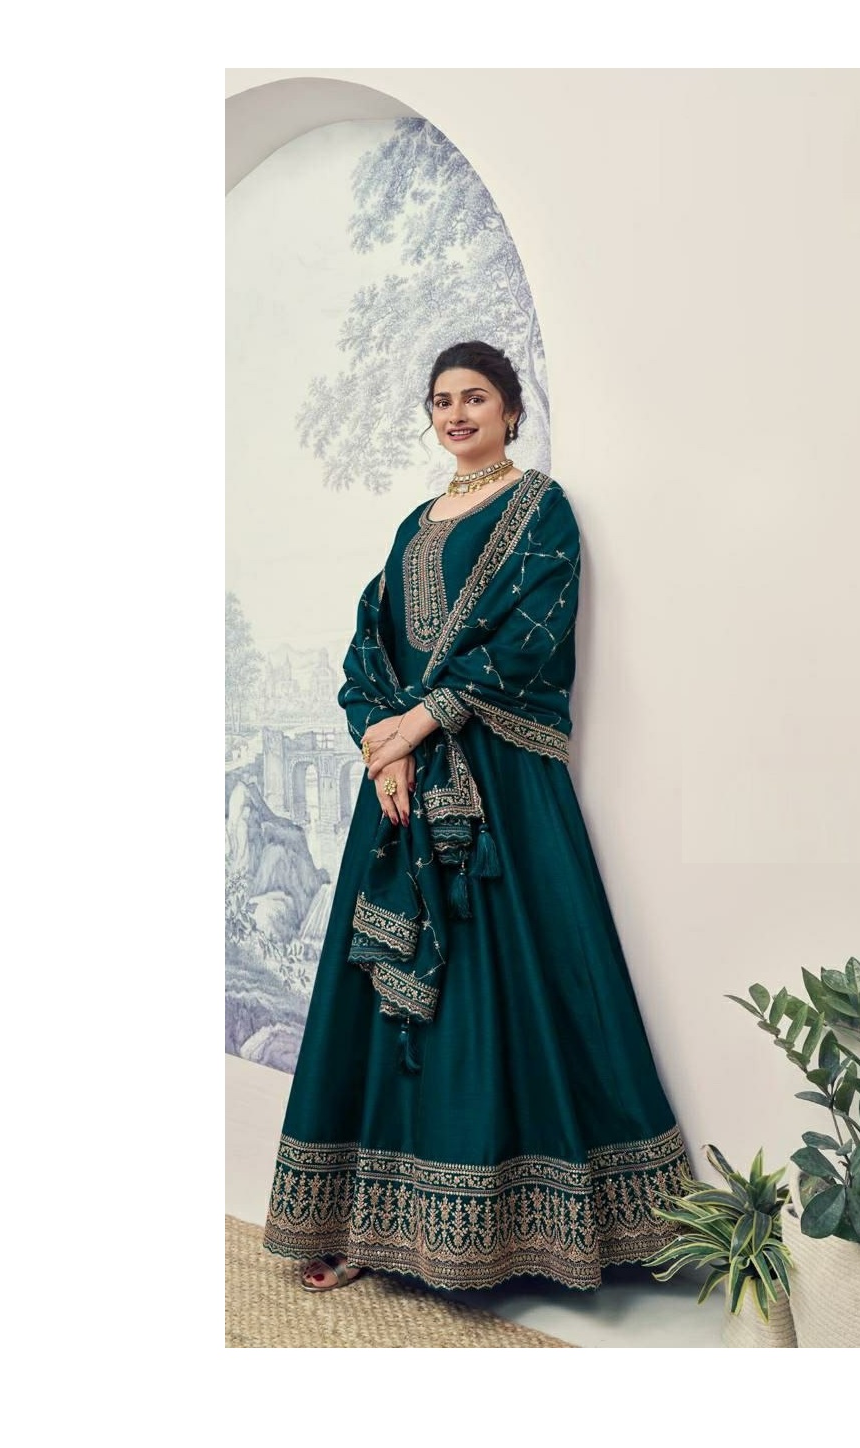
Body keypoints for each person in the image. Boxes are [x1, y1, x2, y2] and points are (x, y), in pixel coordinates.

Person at [261, 340, 692, 1293]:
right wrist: (383, 745)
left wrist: (421, 722)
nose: (456, 414)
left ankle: (548, 1235)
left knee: (523, 985)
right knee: (386, 997)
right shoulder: (414, 527)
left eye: (476, 398)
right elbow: (369, 647)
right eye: (442, 401)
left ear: (511, 410)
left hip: (500, 786)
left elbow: (533, 636)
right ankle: (371, 1229)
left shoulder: (540, 508)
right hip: (405, 789)